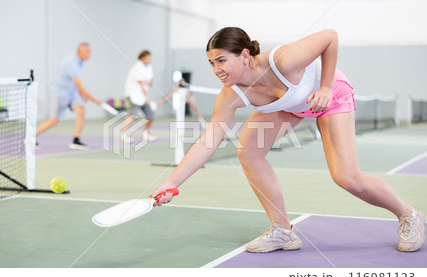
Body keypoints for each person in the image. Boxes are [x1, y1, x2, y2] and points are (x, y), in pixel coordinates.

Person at [152, 27, 425, 253]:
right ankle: (283, 230)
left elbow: (329, 37)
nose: (216, 69)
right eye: (212, 63)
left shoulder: (282, 61)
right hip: (291, 105)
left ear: (245, 55)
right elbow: (208, 141)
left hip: (330, 97)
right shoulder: (230, 94)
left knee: (347, 178)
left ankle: (409, 216)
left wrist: (326, 86)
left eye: (222, 60)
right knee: (248, 151)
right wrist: (171, 183)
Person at [36, 43, 102, 150]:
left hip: (71, 94)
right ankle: (31, 137)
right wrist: (95, 100)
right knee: (53, 120)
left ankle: (76, 140)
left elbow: (76, 84)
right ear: (79, 52)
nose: (89, 54)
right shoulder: (72, 64)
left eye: (90, 51)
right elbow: (80, 87)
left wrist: (81, 95)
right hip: (58, 94)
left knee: (81, 110)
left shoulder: (80, 62)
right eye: (87, 52)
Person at [123, 50, 156, 143]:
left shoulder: (149, 67)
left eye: (150, 58)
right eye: (148, 58)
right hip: (133, 95)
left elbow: (150, 82)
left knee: (151, 115)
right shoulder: (137, 68)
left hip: (143, 97)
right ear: (142, 58)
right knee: (132, 115)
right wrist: (147, 98)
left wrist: (150, 82)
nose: (150, 60)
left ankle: (145, 133)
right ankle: (124, 135)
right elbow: (142, 84)